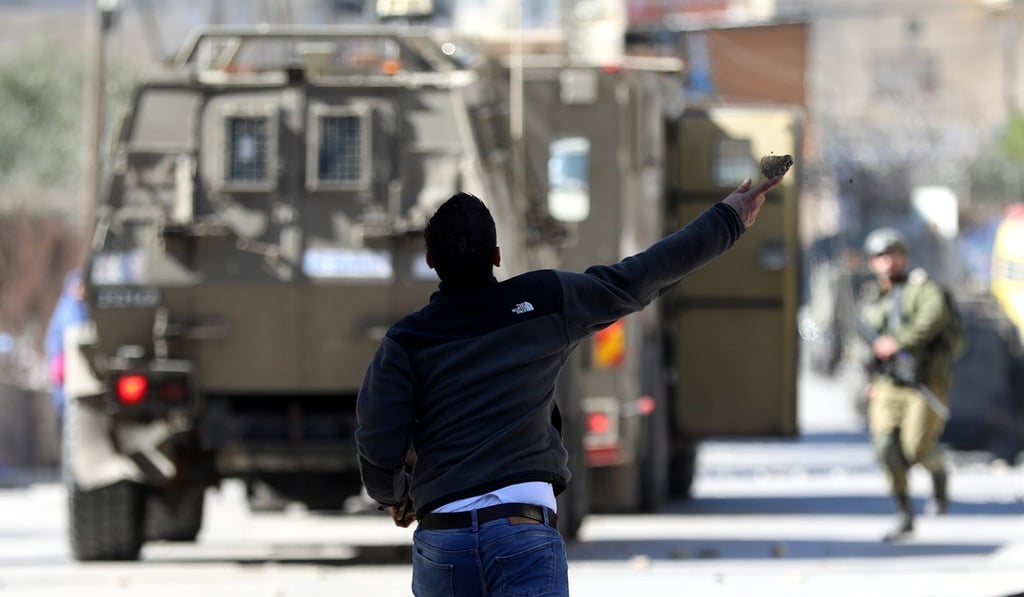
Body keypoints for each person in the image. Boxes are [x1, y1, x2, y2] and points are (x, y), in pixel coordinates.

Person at [355, 175, 784, 597]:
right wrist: (728, 218)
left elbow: (377, 442)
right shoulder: (544, 301)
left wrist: (395, 495)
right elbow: (640, 277)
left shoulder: (405, 342)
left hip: (443, 541)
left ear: (430, 260)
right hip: (523, 534)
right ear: (497, 255)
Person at [857, 227, 958, 542]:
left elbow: (933, 318)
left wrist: (897, 342)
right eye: (879, 256)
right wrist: (871, 378)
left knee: (916, 447)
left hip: (922, 383)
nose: (886, 261)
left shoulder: (923, 288)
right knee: (886, 448)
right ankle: (904, 514)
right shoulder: (871, 296)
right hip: (887, 384)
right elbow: (866, 344)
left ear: (904, 256)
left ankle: (939, 474)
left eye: (891, 253)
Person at [44, 269, 89, 421]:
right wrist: (57, 359)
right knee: (64, 407)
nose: (80, 291)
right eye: (78, 287)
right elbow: (57, 335)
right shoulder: (68, 307)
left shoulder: (83, 307)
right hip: (65, 361)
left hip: (77, 364)